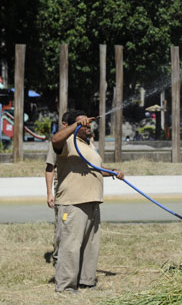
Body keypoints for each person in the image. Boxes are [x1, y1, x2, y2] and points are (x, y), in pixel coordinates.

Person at [51, 110, 124, 293]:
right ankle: (66, 287)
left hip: (92, 201)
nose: (87, 126)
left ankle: (86, 281)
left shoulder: (88, 146)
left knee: (90, 245)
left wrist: (113, 172)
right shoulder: (67, 142)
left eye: (87, 124)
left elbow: (95, 169)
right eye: (83, 124)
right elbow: (55, 140)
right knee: (71, 245)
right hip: (73, 202)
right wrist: (76, 125)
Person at [45, 111, 70, 266]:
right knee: (61, 226)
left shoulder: (84, 142)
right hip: (62, 193)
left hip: (78, 194)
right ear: (65, 125)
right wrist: (49, 193)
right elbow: (49, 168)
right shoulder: (56, 142)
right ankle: (57, 258)